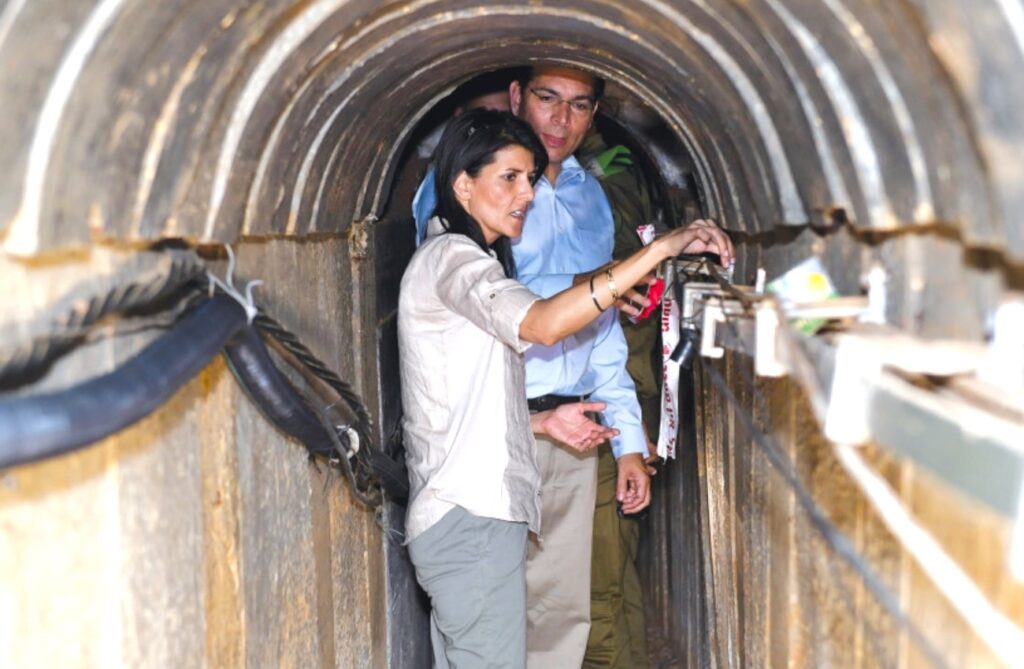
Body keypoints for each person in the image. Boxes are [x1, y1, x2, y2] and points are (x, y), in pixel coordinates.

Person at [399, 108, 732, 668]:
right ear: (463, 184)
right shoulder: (452, 259)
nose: (525, 193)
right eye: (508, 177)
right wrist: (655, 252)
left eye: (529, 178)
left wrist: (541, 422)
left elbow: (455, 398)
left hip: (474, 514)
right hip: (470, 518)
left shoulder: (473, 259)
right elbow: (544, 323)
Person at [505, 65, 735, 667]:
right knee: (508, 613)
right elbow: (501, 302)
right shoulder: (479, 187)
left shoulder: (590, 194)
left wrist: (629, 442)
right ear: (515, 99)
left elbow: (604, 332)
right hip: (503, 426)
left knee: (592, 601)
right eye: (547, 98)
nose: (561, 119)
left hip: (587, 423)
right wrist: (599, 282)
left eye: (579, 105)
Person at [578, 126, 661, 669]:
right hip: (610, 401)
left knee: (597, 579)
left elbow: (616, 311)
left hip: (603, 404)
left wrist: (630, 434)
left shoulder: (602, 182)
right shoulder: (586, 179)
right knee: (607, 573)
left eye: (577, 104)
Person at [412, 69, 514, 245]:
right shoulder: (439, 184)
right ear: (460, 117)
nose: (494, 130)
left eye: (503, 118)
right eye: (483, 119)